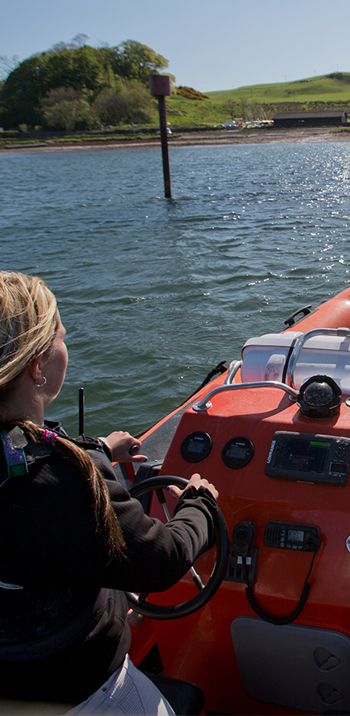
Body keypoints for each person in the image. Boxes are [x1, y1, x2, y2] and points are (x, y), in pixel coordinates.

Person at [0, 272, 219, 713]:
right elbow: (162, 560)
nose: (66, 345)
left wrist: (97, 448)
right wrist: (200, 506)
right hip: (81, 688)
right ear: (38, 367)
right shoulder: (68, 484)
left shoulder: (51, 471)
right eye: (60, 336)